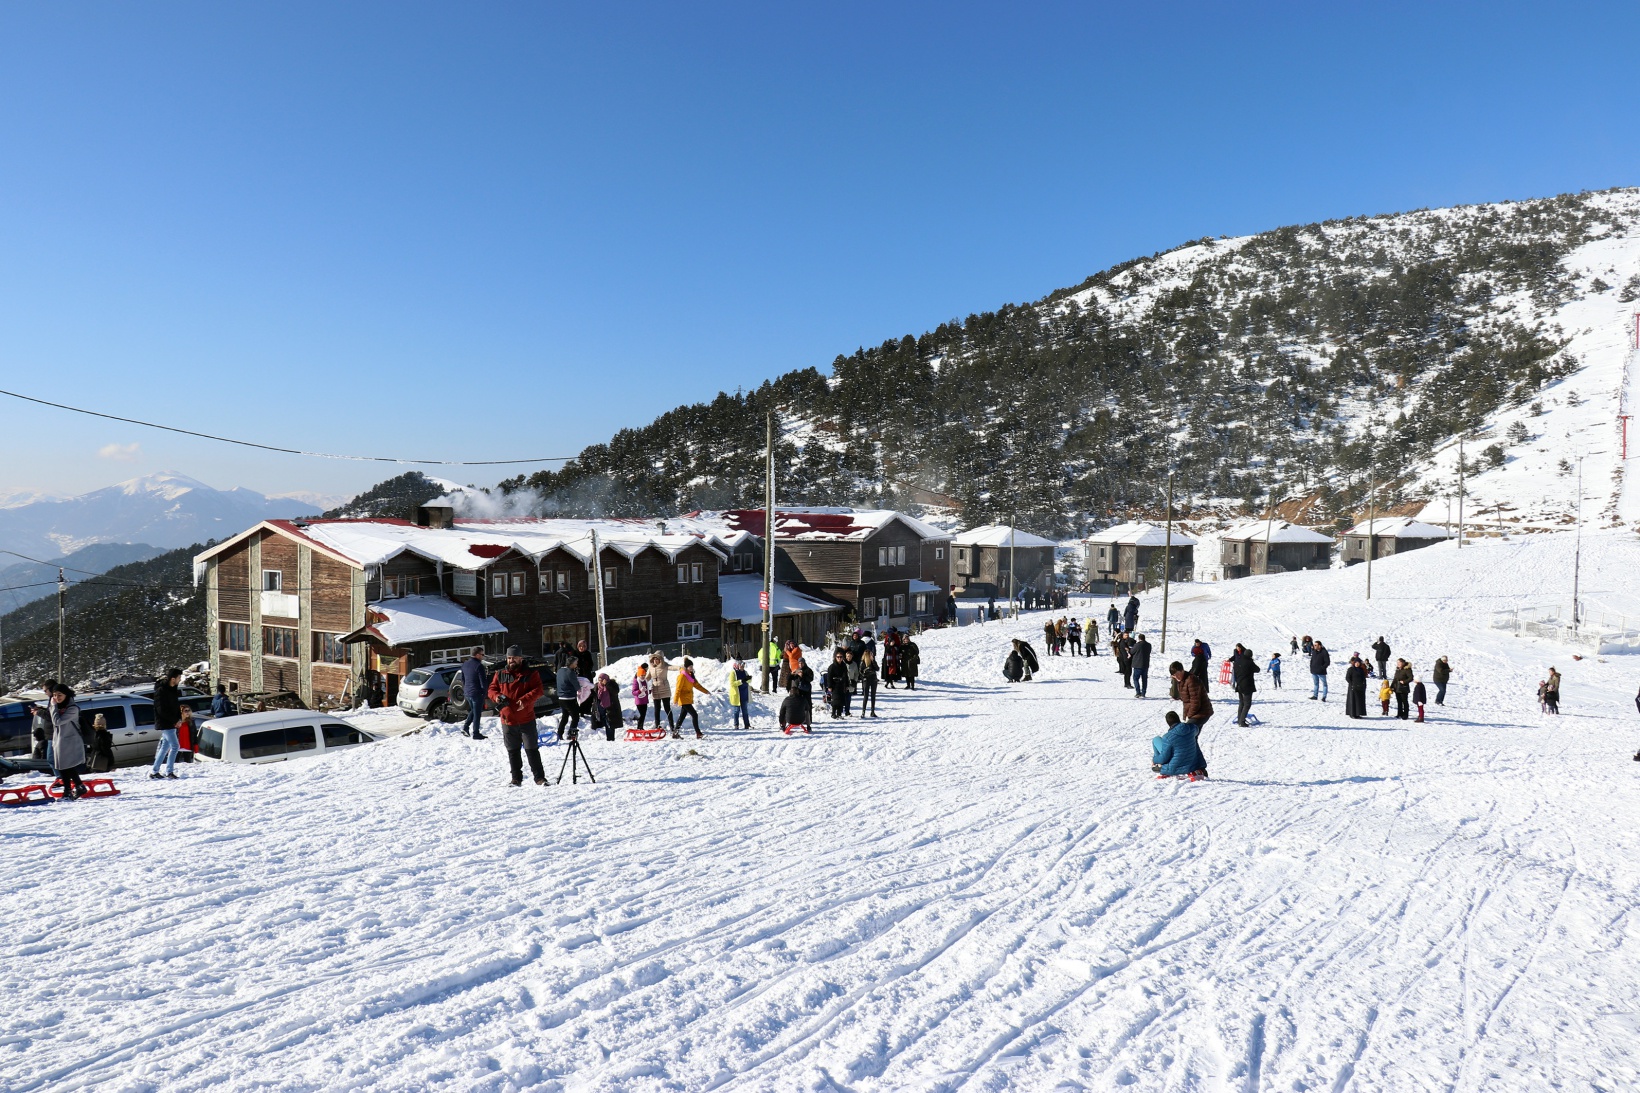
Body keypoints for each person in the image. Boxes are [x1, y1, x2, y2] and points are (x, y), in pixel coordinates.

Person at [488, 646, 546, 786]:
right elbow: (491, 689)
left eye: (514, 658)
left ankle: (539, 778)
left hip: (526, 718)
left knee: (531, 749)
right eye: (509, 658)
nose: (511, 660)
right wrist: (496, 696)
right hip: (508, 719)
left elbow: (538, 690)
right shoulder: (500, 674)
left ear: (521, 658)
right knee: (513, 751)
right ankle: (516, 779)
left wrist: (525, 700)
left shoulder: (531, 673)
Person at [49, 684, 89, 799]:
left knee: (66, 765)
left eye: (60, 695)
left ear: (66, 695)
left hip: (70, 740)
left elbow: (57, 721)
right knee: (63, 766)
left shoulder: (73, 708)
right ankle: (75, 787)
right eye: (55, 695)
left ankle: (71, 789)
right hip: (59, 740)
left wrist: (53, 707)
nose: (57, 698)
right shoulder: (58, 707)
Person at [1152, 710, 1208, 780]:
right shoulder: (1191, 728)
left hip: (1175, 768)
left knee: (1156, 739)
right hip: (1192, 764)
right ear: (1178, 719)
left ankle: (1157, 764)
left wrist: (1154, 759)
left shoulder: (1167, 737)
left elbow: (1164, 758)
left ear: (1168, 723)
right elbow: (1196, 730)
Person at [151, 667, 185, 780]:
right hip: (165, 723)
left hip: (171, 723)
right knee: (175, 746)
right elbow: (161, 710)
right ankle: (169, 771)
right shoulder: (161, 691)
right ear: (173, 678)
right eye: (179, 678)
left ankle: (154, 771)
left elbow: (176, 706)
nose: (180, 680)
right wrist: (174, 721)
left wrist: (179, 719)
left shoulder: (173, 689)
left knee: (165, 747)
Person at [673, 657, 710, 738]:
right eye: (690, 667)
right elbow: (678, 689)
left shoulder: (691, 676)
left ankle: (675, 733)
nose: (692, 668)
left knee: (682, 716)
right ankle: (698, 733)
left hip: (688, 699)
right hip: (684, 699)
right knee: (694, 715)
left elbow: (697, 685)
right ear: (686, 667)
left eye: (692, 667)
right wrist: (675, 700)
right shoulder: (682, 676)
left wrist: (706, 691)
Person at [459, 651, 488, 739]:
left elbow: (463, 679)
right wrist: (485, 693)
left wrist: (466, 688)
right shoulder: (479, 666)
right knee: (477, 713)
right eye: (482, 654)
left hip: (467, 692)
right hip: (476, 692)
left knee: (474, 710)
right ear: (477, 655)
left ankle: (465, 727)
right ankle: (476, 733)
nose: (483, 656)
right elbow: (483, 681)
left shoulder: (465, 664)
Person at [554, 654, 582, 740]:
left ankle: (559, 734)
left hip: (561, 698)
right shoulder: (570, 672)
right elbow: (577, 686)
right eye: (576, 663)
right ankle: (571, 734)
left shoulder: (560, 671)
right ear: (572, 664)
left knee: (565, 717)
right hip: (569, 698)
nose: (576, 664)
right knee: (575, 717)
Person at [647, 652, 677, 733]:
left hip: (664, 689)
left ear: (661, 659)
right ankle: (657, 725)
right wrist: (640, 679)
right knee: (657, 709)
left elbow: (672, 667)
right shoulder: (651, 667)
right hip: (655, 690)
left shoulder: (665, 665)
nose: (656, 660)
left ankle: (672, 726)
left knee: (667, 708)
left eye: (657, 659)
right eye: (654, 659)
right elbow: (648, 677)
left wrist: (680, 667)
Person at [1230, 644, 1259, 726]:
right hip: (1247, 686)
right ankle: (1242, 722)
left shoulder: (1237, 661)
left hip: (1239, 684)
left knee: (1241, 703)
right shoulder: (1249, 662)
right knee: (1247, 704)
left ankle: (1240, 719)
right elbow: (1257, 669)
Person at [592, 672, 623, 740]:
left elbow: (615, 691)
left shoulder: (612, 684)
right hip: (600, 708)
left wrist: (607, 684)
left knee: (610, 724)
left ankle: (610, 738)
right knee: (604, 723)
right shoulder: (597, 686)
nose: (601, 682)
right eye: (599, 680)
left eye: (602, 680)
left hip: (611, 708)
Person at [825, 650, 851, 718]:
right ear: (835, 658)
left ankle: (839, 713)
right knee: (835, 700)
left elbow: (846, 676)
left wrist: (847, 685)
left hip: (841, 684)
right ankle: (833, 713)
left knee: (841, 700)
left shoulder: (844, 666)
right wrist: (829, 686)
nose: (839, 658)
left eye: (841, 657)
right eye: (838, 657)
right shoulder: (832, 666)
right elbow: (829, 677)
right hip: (834, 684)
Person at [728, 658, 752, 729]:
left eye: (743, 666)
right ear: (737, 665)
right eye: (741, 666)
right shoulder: (733, 673)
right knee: (736, 711)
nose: (742, 668)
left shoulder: (745, 672)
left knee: (745, 710)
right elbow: (732, 683)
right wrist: (741, 681)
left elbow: (749, 681)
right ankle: (736, 725)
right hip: (737, 695)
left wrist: (749, 679)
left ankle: (747, 725)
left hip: (744, 694)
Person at [630, 663, 652, 730]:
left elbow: (646, 690)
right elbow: (633, 692)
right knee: (642, 714)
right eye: (641, 675)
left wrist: (650, 691)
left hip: (645, 700)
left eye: (644, 675)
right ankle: (639, 727)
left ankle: (641, 727)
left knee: (643, 715)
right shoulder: (636, 681)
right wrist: (640, 691)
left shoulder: (644, 680)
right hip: (639, 701)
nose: (643, 676)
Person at [859, 649, 880, 717]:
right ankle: (863, 712)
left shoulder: (872, 661)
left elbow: (877, 668)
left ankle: (872, 711)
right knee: (866, 696)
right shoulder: (863, 662)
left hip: (873, 679)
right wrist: (863, 677)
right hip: (866, 680)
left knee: (873, 696)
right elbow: (860, 672)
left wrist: (873, 660)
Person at [1131, 633, 1152, 698]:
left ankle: (1138, 692)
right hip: (1145, 664)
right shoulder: (1149, 645)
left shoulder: (1137, 645)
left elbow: (1131, 652)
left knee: (1135, 678)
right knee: (1144, 679)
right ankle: (1143, 692)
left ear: (1139, 638)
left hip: (1137, 665)